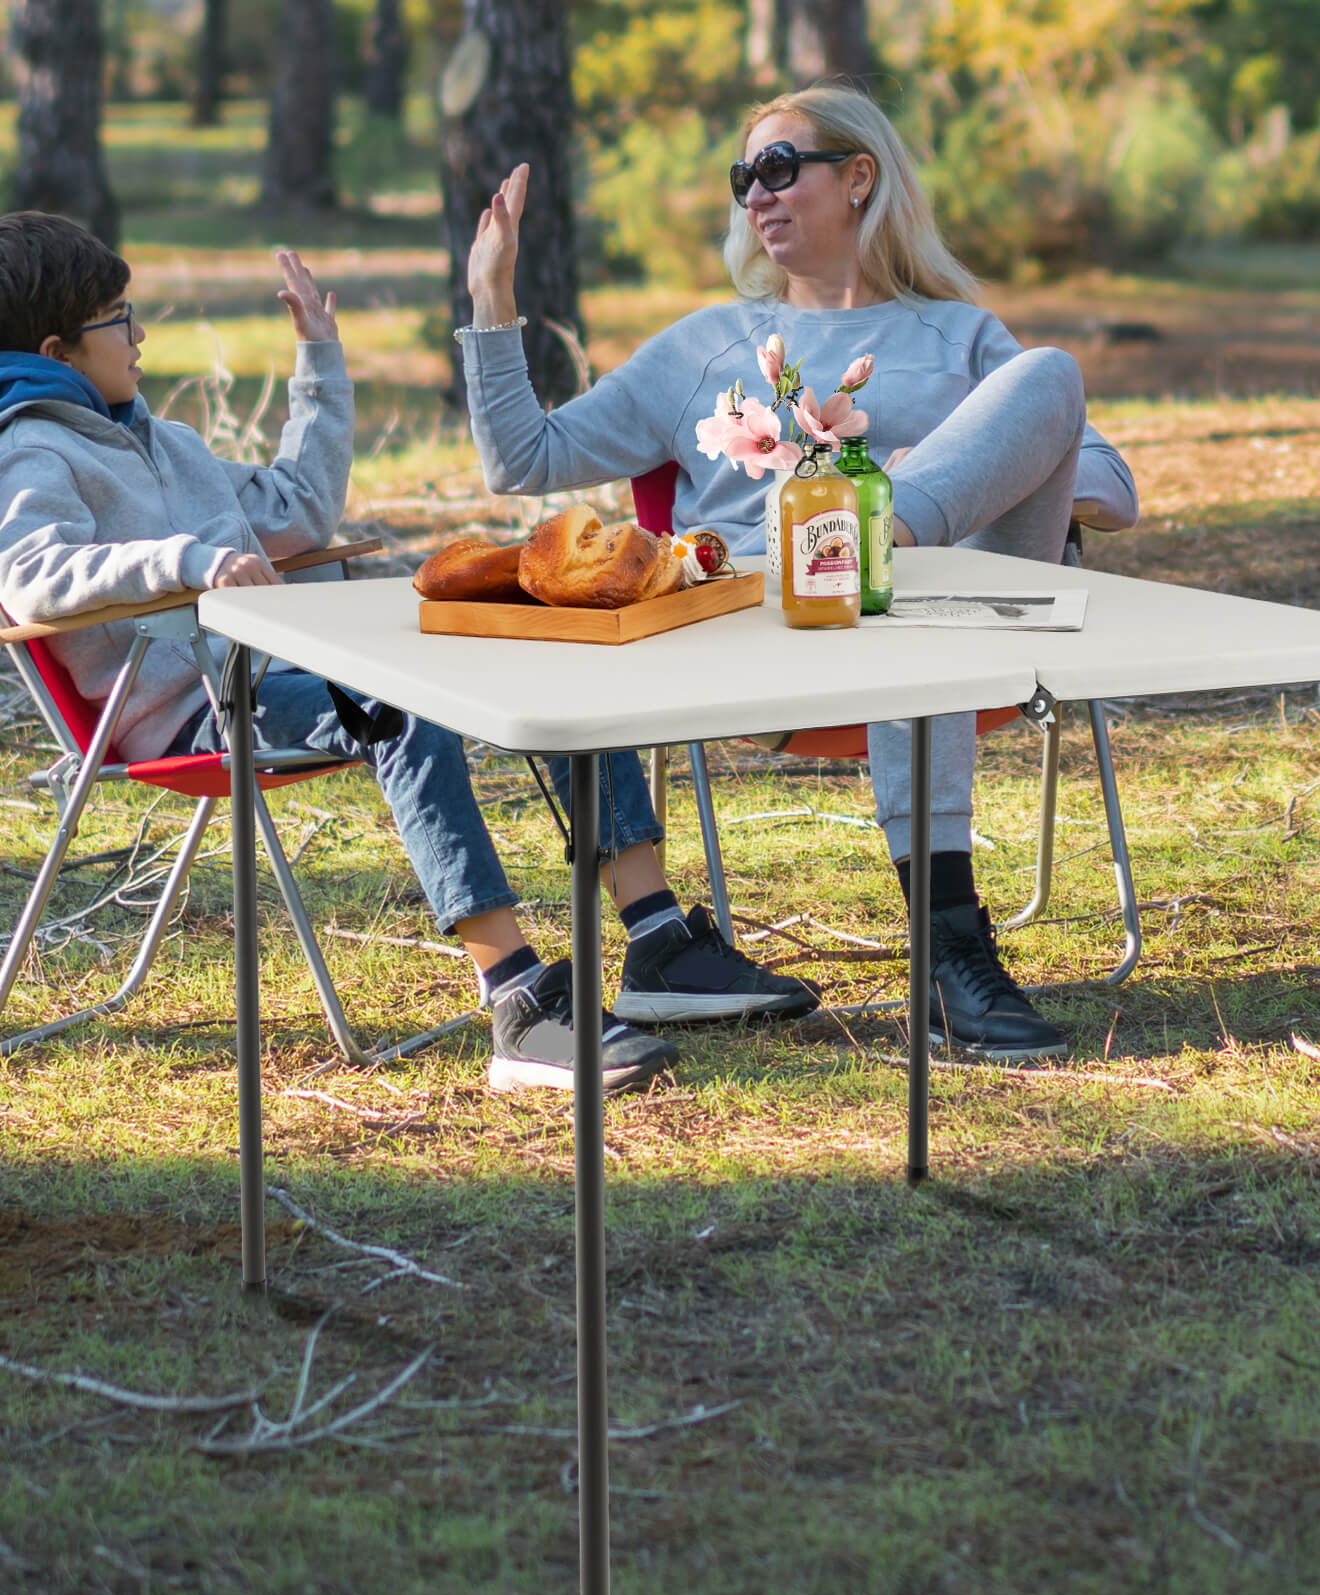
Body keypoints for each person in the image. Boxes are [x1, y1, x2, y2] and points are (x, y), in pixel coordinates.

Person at [0, 210, 815, 1098]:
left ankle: (657, 940)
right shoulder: (31, 448)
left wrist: (319, 360)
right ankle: (515, 1005)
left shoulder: (164, 441)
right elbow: (29, 573)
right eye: (119, 318)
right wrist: (188, 563)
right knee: (399, 705)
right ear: (58, 349)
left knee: (553, 642)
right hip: (197, 707)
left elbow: (300, 510)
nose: (140, 332)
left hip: (271, 668)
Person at [459, 85, 1139, 1062]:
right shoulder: (702, 346)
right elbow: (521, 460)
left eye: (780, 168)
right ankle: (948, 944)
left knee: (1049, 378)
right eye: (745, 180)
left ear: (858, 176)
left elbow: (1108, 478)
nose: (757, 196)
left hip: (948, 612)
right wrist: (493, 301)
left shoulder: (961, 336)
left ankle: (879, 538)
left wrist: (927, 494)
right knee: (908, 602)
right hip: (765, 625)